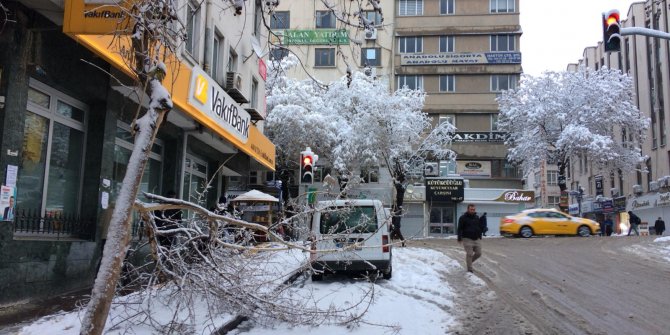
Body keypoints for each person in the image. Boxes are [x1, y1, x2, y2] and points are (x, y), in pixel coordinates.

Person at [457, 204, 483, 273]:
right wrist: (459, 238)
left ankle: (469, 262)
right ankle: (470, 269)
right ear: (468, 209)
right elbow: (459, 228)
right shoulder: (463, 218)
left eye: (474, 209)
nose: (472, 211)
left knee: (479, 253)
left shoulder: (477, 217)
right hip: (467, 238)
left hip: (476, 238)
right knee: (470, 254)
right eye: (471, 209)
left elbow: (478, 227)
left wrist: (480, 235)